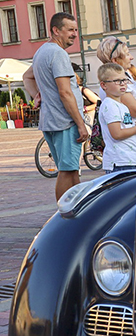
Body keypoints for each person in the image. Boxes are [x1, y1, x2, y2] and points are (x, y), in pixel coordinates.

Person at [22, 12, 89, 202]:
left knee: (71, 169)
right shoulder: (58, 54)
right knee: (67, 171)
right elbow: (65, 92)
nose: (74, 34)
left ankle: (77, 210)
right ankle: (63, 214)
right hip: (65, 122)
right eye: (70, 30)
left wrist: (37, 94)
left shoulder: (41, 51)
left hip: (51, 121)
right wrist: (80, 123)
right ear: (56, 31)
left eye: (76, 30)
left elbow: (27, 77)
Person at [96, 36, 136, 168]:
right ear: (115, 60)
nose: (131, 57)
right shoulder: (115, 85)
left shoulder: (125, 77)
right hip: (135, 145)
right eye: (127, 54)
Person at [97, 63, 136, 173]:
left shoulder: (121, 106)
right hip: (119, 162)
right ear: (104, 85)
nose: (123, 84)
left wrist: (135, 128)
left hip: (128, 159)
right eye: (117, 81)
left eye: (125, 80)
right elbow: (117, 134)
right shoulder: (110, 105)